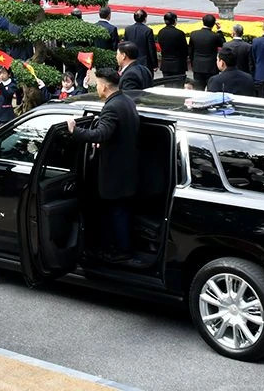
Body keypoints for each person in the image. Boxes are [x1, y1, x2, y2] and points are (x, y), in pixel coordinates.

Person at [68, 68, 139, 258]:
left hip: (114, 172)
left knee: (117, 212)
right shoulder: (127, 102)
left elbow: (101, 134)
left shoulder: (112, 107)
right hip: (128, 168)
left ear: (105, 86)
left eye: (97, 84)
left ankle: (121, 250)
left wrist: (75, 131)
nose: (96, 88)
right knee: (121, 211)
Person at [188, 14, 223, 89]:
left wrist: (193, 63)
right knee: (212, 90)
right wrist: (219, 31)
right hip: (211, 67)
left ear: (203, 22)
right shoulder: (215, 36)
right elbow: (223, 44)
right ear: (214, 24)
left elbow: (191, 51)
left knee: (198, 90)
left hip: (198, 66)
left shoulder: (194, 34)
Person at [155, 14, 189, 87]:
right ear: (175, 20)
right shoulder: (179, 33)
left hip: (166, 64)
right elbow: (185, 49)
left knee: (168, 87)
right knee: (178, 87)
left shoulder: (161, 32)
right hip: (178, 64)